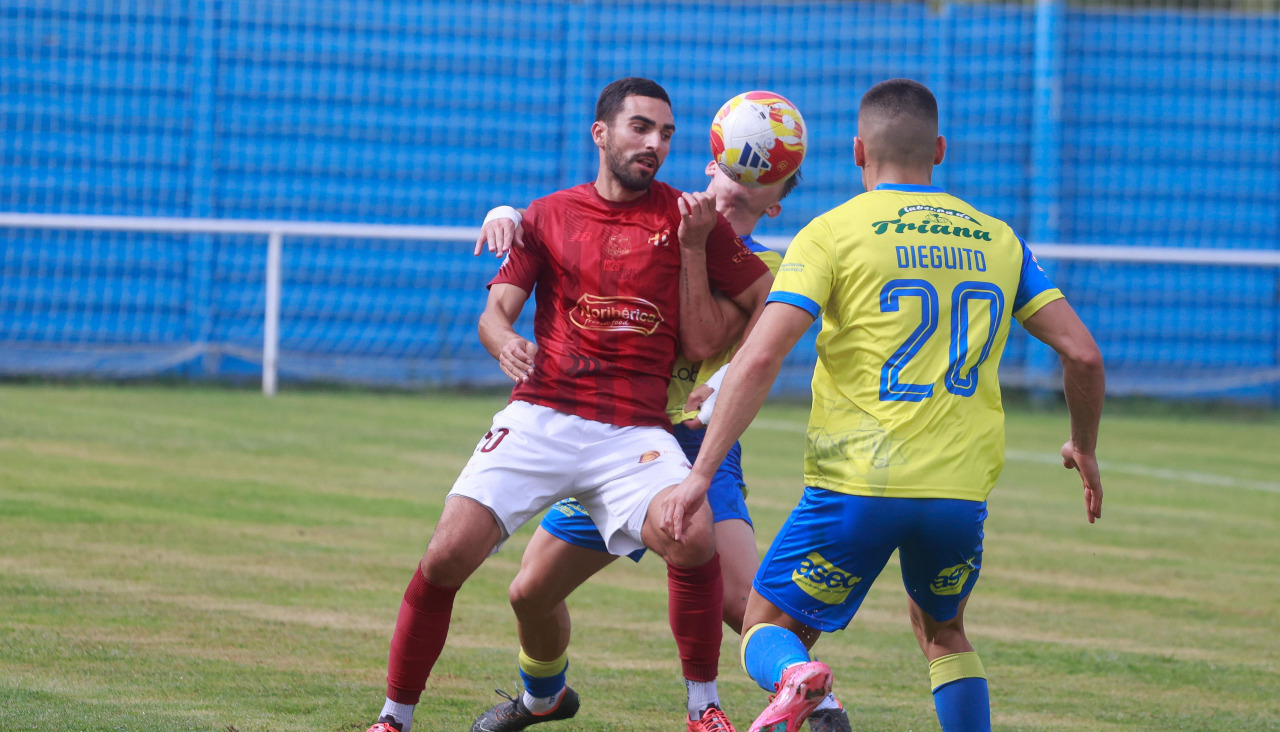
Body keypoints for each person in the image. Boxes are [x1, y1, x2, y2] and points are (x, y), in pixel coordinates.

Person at [661, 78, 1106, 732]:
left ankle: (797, 680)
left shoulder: (831, 233)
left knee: (763, 623)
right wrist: (1084, 445)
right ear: (941, 150)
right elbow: (1084, 355)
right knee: (944, 631)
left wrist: (700, 475)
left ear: (857, 151)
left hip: (857, 485)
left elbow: (759, 357)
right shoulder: (999, 240)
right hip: (958, 492)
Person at [364, 77, 773, 732]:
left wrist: (727, 380)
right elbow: (494, 315)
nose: (655, 144)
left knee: (691, 537)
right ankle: (394, 719)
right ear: (600, 133)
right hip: (542, 416)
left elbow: (765, 296)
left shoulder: (687, 218)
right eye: (641, 128)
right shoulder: (549, 214)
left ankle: (705, 710)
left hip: (635, 432)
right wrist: (504, 342)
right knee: (448, 556)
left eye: (666, 134)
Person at [477, 160, 851, 732]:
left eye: (765, 175)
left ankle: (818, 705)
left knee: (741, 605)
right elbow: (576, 222)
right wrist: (510, 214)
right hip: (614, 436)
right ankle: (542, 698)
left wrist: (696, 248)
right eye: (738, 164)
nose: (746, 179)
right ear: (711, 167)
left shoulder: (766, 269)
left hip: (697, 446)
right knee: (529, 592)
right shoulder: (657, 217)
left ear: (774, 204)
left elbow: (699, 336)